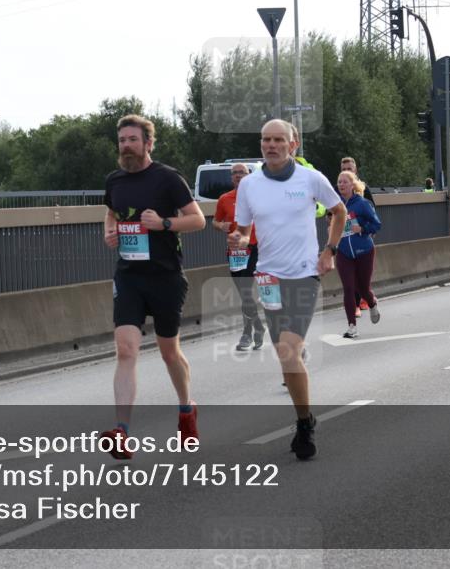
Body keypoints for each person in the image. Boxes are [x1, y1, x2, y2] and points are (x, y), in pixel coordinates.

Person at [229, 119, 346, 460]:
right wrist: (240, 238)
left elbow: (339, 212)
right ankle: (304, 417)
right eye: (266, 139)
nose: (271, 145)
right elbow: (245, 230)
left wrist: (330, 250)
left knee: (289, 349)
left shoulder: (310, 178)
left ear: (292, 145)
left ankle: (305, 429)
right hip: (268, 277)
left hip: (304, 274)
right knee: (285, 354)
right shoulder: (249, 185)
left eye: (279, 139)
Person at [101, 115, 207, 459]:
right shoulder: (114, 181)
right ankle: (122, 431)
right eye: (122, 141)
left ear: (149, 143)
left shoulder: (167, 178)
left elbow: (197, 219)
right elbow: (111, 212)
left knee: (168, 352)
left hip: (166, 276)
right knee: (126, 349)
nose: (126, 146)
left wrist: (163, 223)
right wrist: (110, 231)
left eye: (133, 140)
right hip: (129, 275)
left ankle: (186, 408)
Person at [213, 163, 265, 350]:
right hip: (235, 251)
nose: (237, 176)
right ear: (231, 177)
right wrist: (221, 226)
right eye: (234, 173)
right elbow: (215, 221)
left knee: (245, 290)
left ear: (248, 175)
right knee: (244, 293)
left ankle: (247, 334)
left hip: (254, 247)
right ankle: (258, 327)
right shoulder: (225, 199)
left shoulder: (259, 196)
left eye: (241, 172)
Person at [335, 170, 382, 338]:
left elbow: (377, 224)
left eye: (344, 182)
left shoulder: (362, 203)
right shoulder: (336, 204)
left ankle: (372, 302)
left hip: (364, 250)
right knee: (348, 288)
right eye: (339, 182)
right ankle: (351, 327)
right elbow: (331, 221)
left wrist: (362, 229)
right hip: (343, 252)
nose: (341, 185)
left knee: (363, 288)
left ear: (352, 184)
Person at [339, 156, 373, 314]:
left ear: (355, 170)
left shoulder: (364, 188)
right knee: (348, 273)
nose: (346, 171)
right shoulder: (337, 189)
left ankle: (364, 298)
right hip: (344, 238)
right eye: (343, 168)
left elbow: (372, 210)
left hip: (361, 236)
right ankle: (356, 304)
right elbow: (329, 210)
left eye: (349, 169)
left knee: (360, 272)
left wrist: (365, 228)